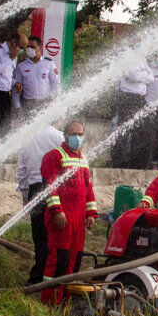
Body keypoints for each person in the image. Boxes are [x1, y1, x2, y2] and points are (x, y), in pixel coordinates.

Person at [38, 122, 97, 305]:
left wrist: (90, 213)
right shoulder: (54, 156)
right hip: (62, 218)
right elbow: (51, 186)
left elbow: (88, 188)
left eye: (80, 133)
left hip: (78, 220)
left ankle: (65, 300)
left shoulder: (82, 158)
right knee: (58, 260)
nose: (77, 137)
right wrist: (57, 211)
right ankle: (49, 300)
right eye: (73, 134)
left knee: (75, 260)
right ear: (64, 135)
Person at [17, 123, 64, 285]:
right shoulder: (59, 136)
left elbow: (22, 170)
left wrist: (25, 196)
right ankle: (50, 275)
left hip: (35, 189)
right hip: (55, 188)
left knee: (39, 234)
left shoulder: (28, 139)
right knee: (54, 233)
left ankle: (37, 276)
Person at [112, 59, 155, 168]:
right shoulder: (125, 56)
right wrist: (146, 73)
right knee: (124, 131)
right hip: (128, 97)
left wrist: (143, 75)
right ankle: (119, 163)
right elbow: (133, 76)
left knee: (141, 132)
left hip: (140, 98)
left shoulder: (142, 58)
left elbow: (152, 77)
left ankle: (137, 164)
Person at [12, 36, 61, 113]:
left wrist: (57, 103)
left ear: (39, 48)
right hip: (28, 104)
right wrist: (17, 106)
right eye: (28, 47)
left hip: (45, 103)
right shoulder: (21, 66)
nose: (29, 49)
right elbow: (16, 88)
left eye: (32, 47)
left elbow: (56, 84)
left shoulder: (48, 63)